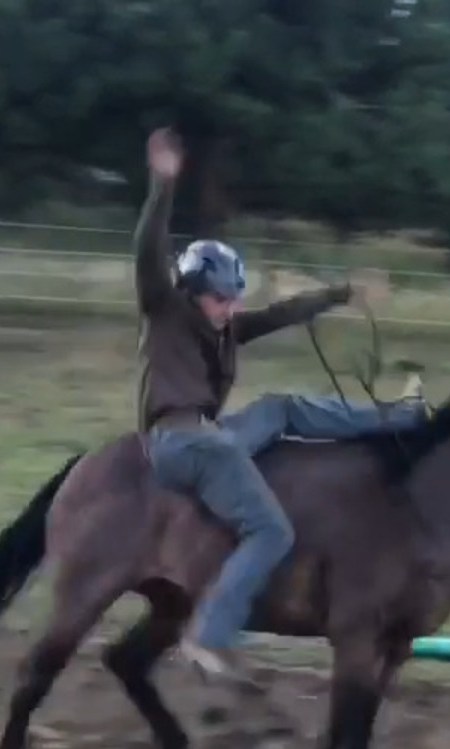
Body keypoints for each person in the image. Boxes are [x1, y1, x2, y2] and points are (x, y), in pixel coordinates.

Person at [132, 128, 427, 690]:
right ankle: (209, 635)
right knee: (271, 529)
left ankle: (399, 417)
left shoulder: (223, 329)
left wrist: (340, 295)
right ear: (192, 292)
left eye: (233, 297)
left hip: (211, 436)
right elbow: (148, 251)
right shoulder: (164, 311)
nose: (230, 307)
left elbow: (279, 315)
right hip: (180, 443)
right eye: (221, 298)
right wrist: (163, 185)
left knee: (281, 407)